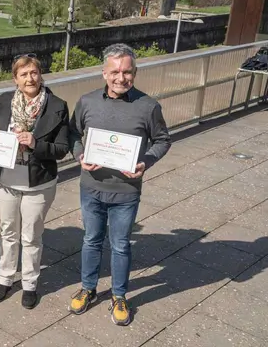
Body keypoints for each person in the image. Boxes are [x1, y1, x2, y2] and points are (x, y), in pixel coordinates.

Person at [68, 43, 171, 326]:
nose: (120, 78)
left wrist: (145, 162)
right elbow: (73, 133)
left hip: (126, 191)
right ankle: (88, 288)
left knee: (121, 245)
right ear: (104, 73)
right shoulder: (87, 102)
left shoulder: (148, 106)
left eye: (127, 72)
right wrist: (79, 155)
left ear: (134, 73)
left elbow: (163, 140)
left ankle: (119, 295)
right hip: (91, 186)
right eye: (114, 72)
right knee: (91, 240)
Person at [0, 54, 70, 309]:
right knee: (8, 232)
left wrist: (35, 143)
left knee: (31, 236)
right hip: (6, 182)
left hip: (39, 183)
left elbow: (62, 149)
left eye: (33, 73)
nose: (30, 78)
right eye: (23, 74)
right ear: (15, 79)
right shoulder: (5, 101)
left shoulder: (57, 106)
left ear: (40, 75)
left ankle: (30, 283)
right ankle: (5, 278)